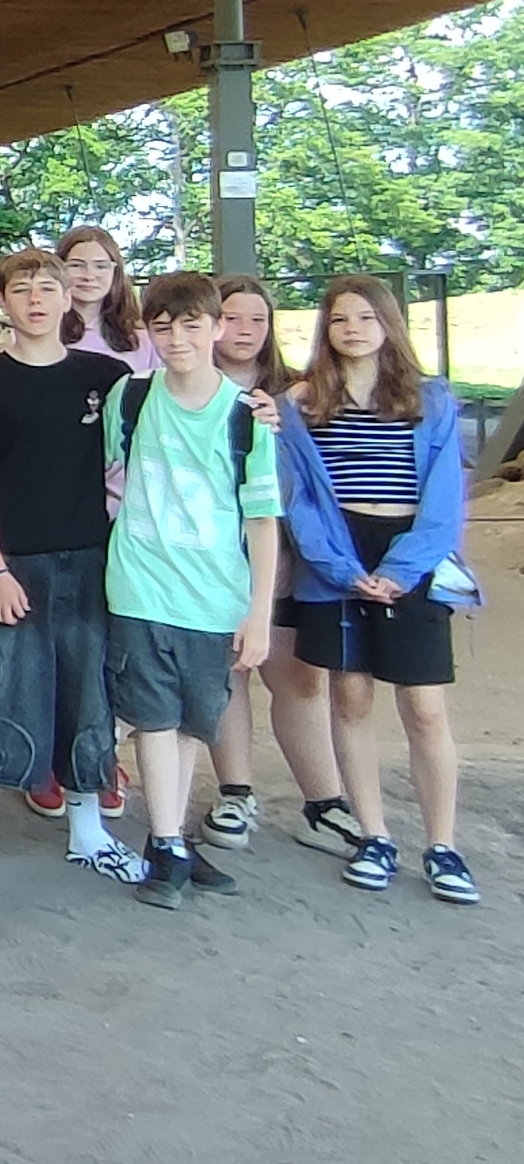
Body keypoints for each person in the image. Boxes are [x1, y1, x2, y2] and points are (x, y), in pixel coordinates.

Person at [0, 249, 139, 889]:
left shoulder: (107, 377)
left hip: (87, 561)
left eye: (47, 288)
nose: (35, 300)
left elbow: (182, 413)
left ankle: (88, 832)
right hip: (8, 563)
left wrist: (258, 408)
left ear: (67, 298)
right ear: (1, 302)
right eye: (21, 289)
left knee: (87, 696)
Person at [280, 276, 478, 903]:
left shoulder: (430, 398)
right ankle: (374, 834)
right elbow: (299, 498)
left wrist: (404, 568)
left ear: (389, 323)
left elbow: (445, 499)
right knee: (350, 699)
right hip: (339, 559)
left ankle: (442, 845)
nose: (353, 330)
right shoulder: (302, 402)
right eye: (341, 319)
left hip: (410, 557)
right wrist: (341, 569)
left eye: (366, 318)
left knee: (425, 707)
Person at [103, 271, 282, 910]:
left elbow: (262, 520)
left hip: (213, 596)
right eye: (163, 326)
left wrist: (259, 612)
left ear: (216, 327)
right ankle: (166, 841)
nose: (177, 339)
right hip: (139, 585)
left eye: (191, 325)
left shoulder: (246, 418)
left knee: (190, 722)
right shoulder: (131, 396)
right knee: (153, 716)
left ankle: (170, 839)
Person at [207, 273, 362, 858]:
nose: (244, 331)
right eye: (231, 318)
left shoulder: (299, 394)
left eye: (258, 320)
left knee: (298, 678)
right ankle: (235, 792)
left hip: (288, 559)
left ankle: (324, 802)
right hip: (212, 559)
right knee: (230, 674)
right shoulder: (184, 386)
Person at [56, 225, 157, 370]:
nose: (89, 276)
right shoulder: (37, 334)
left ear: (115, 273)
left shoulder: (143, 341)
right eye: (77, 265)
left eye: (100, 266)